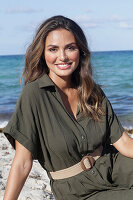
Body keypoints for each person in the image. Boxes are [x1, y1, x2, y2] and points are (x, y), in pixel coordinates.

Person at [3, 15, 133, 200]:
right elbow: (23, 163)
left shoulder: (92, 91)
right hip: (75, 190)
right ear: (43, 53)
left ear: (80, 51)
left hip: (113, 166)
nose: (62, 57)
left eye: (70, 48)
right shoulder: (33, 96)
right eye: (53, 49)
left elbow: (125, 144)